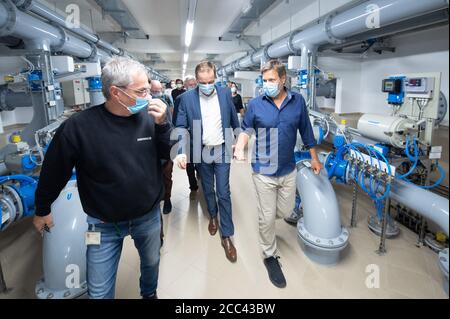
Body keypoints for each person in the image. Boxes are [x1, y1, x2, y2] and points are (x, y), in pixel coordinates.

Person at [33, 57, 172, 299]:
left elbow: (169, 153)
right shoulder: (78, 127)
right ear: (116, 92)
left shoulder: (151, 117)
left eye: (149, 89)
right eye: (142, 91)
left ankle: (149, 294)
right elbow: (54, 171)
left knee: (151, 263)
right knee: (98, 291)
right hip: (103, 224)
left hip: (147, 216)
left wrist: (163, 125)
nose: (149, 97)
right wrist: (42, 208)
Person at [234, 60, 322, 288]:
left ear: (283, 80)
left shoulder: (298, 102)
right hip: (263, 169)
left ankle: (267, 219)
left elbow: (306, 130)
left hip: (287, 168)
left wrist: (314, 157)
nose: (267, 84)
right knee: (266, 216)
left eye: (272, 80)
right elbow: (246, 129)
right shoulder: (256, 104)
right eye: (264, 80)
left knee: (283, 211)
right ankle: (269, 255)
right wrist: (239, 147)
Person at [175, 61, 240, 263]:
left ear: (215, 79)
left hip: (221, 149)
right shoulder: (186, 99)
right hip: (200, 151)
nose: (207, 85)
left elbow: (232, 118)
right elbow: (180, 126)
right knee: (208, 189)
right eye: (203, 82)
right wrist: (180, 151)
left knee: (223, 191)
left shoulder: (224, 93)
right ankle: (212, 215)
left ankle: (227, 235)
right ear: (196, 81)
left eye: (211, 81)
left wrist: (237, 139)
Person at [172, 75, 200, 199]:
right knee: (188, 162)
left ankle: (200, 174)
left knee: (200, 158)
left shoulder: (201, 97)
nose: (193, 87)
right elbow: (176, 118)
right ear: (185, 85)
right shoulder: (180, 98)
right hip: (186, 135)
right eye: (190, 85)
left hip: (199, 133)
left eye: (195, 84)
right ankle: (192, 184)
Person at [151, 80, 174, 215]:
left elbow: (170, 126)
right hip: (149, 150)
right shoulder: (141, 108)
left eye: (159, 90)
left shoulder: (164, 106)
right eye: (154, 91)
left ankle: (167, 199)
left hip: (165, 148)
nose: (157, 94)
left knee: (166, 177)